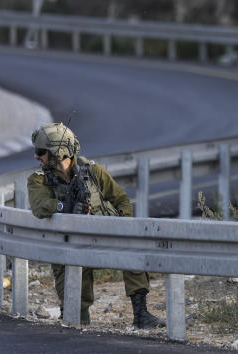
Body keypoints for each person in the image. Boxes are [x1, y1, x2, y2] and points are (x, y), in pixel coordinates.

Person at [26, 122, 165, 329]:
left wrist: (121, 230)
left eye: (41, 152)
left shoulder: (92, 172)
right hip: (69, 245)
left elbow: (122, 201)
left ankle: (141, 314)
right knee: (74, 312)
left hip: (103, 238)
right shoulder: (39, 180)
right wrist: (65, 206)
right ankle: (74, 317)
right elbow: (39, 207)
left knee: (135, 254)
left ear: (58, 152)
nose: (37, 157)